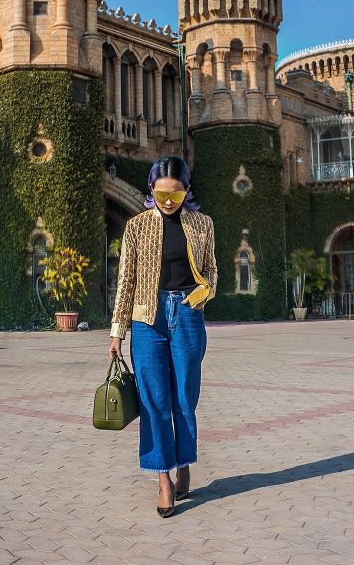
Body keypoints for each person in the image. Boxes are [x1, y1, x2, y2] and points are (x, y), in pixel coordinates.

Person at [108, 155, 217, 518]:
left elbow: (212, 271)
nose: (168, 200)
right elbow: (126, 281)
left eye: (176, 193)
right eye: (161, 193)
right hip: (145, 318)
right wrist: (117, 332)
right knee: (154, 402)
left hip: (187, 314)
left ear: (187, 190)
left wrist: (204, 293)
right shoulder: (137, 227)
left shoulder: (203, 225)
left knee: (185, 397)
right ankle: (163, 478)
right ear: (150, 189)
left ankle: (184, 460)